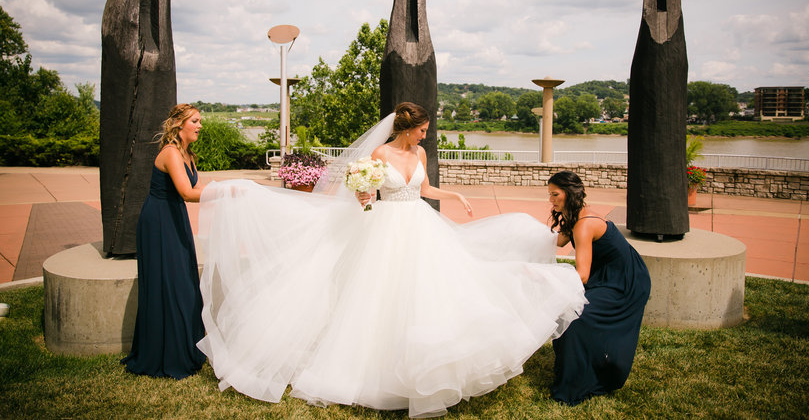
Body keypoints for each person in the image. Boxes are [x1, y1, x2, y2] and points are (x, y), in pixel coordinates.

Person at [196, 102, 587, 418]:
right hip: (384, 230)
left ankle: (430, 366)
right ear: (407, 128)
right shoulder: (380, 152)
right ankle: (372, 374)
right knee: (379, 297)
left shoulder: (418, 153)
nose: (425, 136)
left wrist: (455, 197)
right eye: (422, 130)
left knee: (431, 292)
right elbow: (363, 193)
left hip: (421, 226)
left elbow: (426, 186)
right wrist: (364, 196)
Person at [546, 170, 651, 405]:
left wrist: (547, 279)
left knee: (575, 320)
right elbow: (557, 241)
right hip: (607, 275)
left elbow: (582, 275)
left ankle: (582, 381)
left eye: (555, 195)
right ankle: (580, 368)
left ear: (569, 194)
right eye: (549, 195)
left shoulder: (584, 224)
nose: (551, 200)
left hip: (624, 281)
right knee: (569, 315)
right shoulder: (574, 215)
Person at [121, 103, 207, 379]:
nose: (200, 125)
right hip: (158, 221)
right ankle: (162, 354)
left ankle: (185, 348)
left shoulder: (188, 154)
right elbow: (186, 192)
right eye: (195, 120)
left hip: (175, 218)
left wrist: (230, 186)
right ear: (179, 124)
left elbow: (195, 188)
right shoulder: (170, 153)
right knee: (167, 283)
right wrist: (223, 193)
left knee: (184, 282)